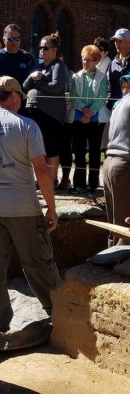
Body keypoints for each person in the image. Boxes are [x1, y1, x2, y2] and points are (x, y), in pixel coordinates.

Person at [0, 76, 59, 335]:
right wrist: (51, 208)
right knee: (37, 263)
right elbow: (41, 170)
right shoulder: (27, 125)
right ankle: (60, 315)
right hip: (24, 207)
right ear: (15, 96)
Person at [23, 34, 70, 190]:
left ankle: (49, 182)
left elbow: (56, 87)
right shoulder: (38, 65)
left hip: (51, 115)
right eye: (40, 48)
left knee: (51, 149)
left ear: (54, 50)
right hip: (33, 112)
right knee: (36, 150)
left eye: (45, 47)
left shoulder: (59, 66)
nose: (41, 50)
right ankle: (39, 181)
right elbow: (25, 86)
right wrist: (31, 78)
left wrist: (38, 82)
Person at [68, 45, 110, 195]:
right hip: (79, 118)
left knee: (94, 151)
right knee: (78, 152)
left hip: (96, 119)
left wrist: (90, 113)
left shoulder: (102, 77)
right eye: (83, 59)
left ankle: (93, 184)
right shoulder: (76, 76)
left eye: (89, 60)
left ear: (97, 61)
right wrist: (83, 111)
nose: (85, 63)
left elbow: (102, 97)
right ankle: (79, 183)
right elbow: (73, 97)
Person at [103, 74, 130, 247]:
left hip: (109, 164)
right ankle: (122, 267)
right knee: (125, 225)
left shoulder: (119, 103)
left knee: (114, 222)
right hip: (124, 165)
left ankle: (111, 258)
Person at [0, 24, 36, 90]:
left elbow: (34, 77)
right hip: (0, 97)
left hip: (21, 97)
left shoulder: (27, 57)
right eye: (10, 39)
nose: (14, 42)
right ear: (4, 40)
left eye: (17, 39)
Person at [108, 29, 130, 112]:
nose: (117, 44)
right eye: (116, 41)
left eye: (120, 41)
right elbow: (109, 86)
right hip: (115, 109)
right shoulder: (113, 63)